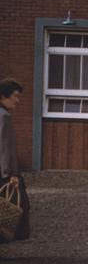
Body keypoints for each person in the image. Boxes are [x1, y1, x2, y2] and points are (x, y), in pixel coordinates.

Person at [0, 78, 30, 241]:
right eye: (15, 96)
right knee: (13, 208)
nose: (17, 101)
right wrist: (10, 175)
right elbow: (4, 148)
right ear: (3, 96)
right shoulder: (4, 117)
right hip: (4, 173)